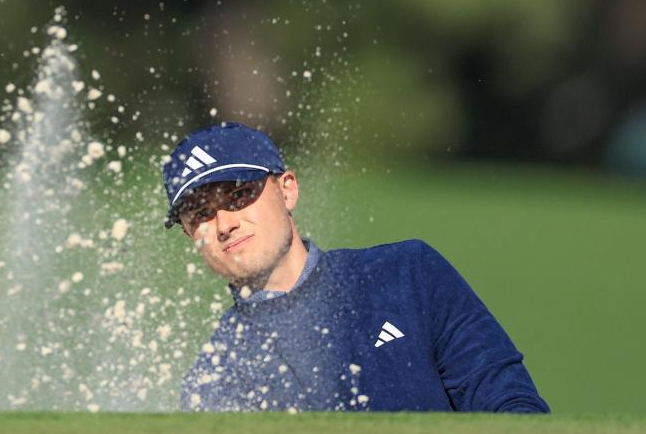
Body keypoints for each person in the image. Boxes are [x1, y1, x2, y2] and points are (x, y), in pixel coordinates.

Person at [162, 122, 549, 412]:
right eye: (200, 213)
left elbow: (510, 405)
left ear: (288, 189)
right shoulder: (217, 375)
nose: (225, 223)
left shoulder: (407, 274)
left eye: (239, 193)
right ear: (189, 235)